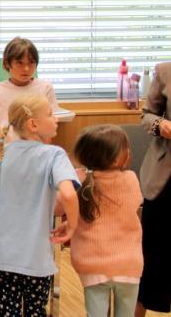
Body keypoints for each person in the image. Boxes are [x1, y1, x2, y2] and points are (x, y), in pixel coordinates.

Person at [0, 92, 79, 316]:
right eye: (50, 114)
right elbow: (69, 194)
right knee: (36, 311)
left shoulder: (0, 153)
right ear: (33, 124)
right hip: (37, 259)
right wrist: (72, 226)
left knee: (8, 312)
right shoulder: (54, 155)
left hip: (4, 258)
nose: (55, 119)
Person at [70, 125, 143, 317]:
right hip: (128, 265)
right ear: (121, 157)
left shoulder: (80, 181)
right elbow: (137, 202)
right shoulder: (130, 179)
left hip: (92, 264)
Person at [136, 61, 171, 316]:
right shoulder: (165, 70)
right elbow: (147, 114)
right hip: (163, 178)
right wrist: (161, 126)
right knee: (151, 256)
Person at [0, 37, 59, 146]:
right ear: (7, 63)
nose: (26, 69)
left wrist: (45, 151)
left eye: (31, 63)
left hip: (37, 150)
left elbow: (48, 127)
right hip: (8, 151)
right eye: (19, 63)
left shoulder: (45, 87)